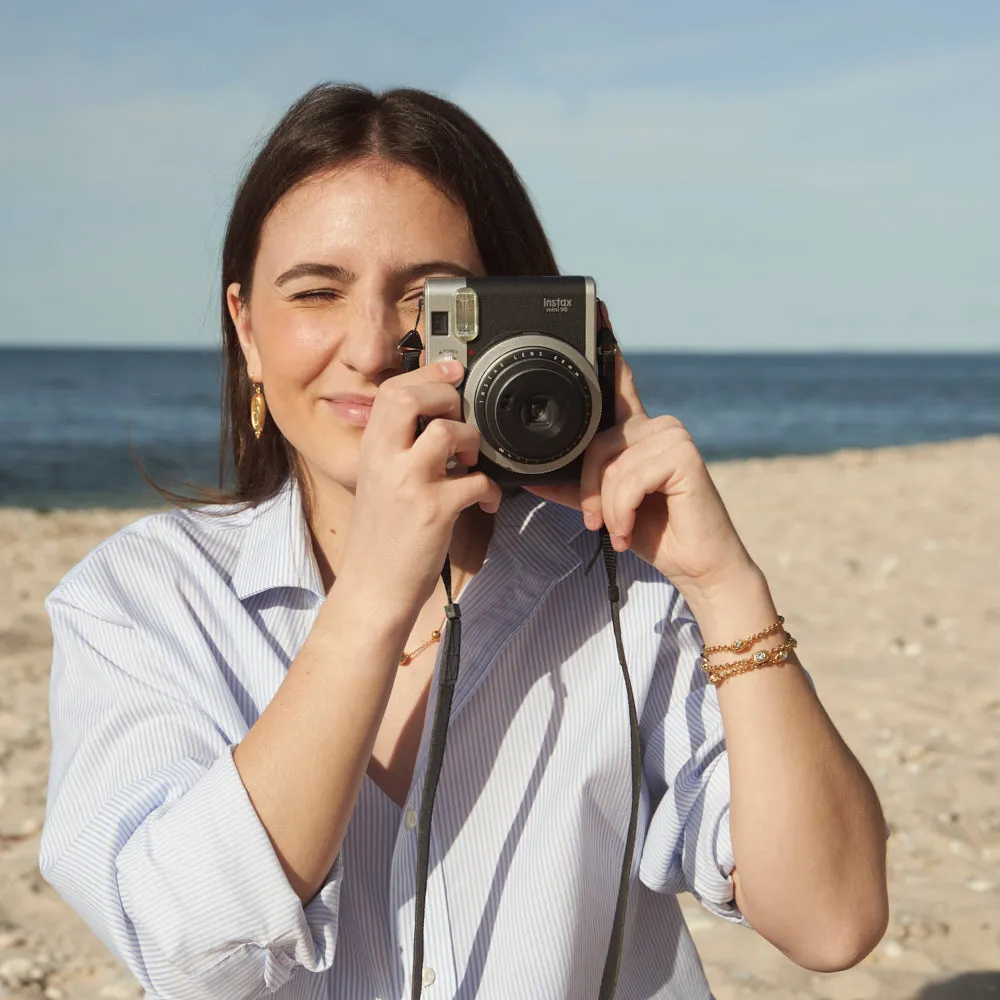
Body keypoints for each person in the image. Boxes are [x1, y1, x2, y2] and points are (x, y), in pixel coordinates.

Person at [39, 83, 889, 1000]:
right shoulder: (142, 597)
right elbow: (182, 946)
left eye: (430, 302)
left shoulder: (624, 583)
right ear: (246, 327)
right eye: (316, 292)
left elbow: (832, 920)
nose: (369, 348)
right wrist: (373, 598)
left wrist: (728, 589)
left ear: (525, 316)